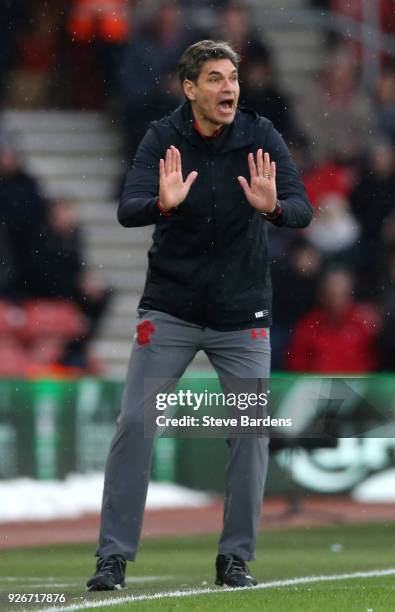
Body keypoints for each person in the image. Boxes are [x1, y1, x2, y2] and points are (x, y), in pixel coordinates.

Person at [87, 39, 312, 592]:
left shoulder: (261, 135)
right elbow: (127, 209)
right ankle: (112, 559)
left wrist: (275, 208)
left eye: (231, 77)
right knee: (136, 425)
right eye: (214, 78)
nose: (228, 87)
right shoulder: (162, 137)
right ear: (190, 89)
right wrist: (162, 204)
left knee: (251, 434)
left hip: (243, 313)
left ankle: (235, 558)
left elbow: (302, 211)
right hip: (171, 307)